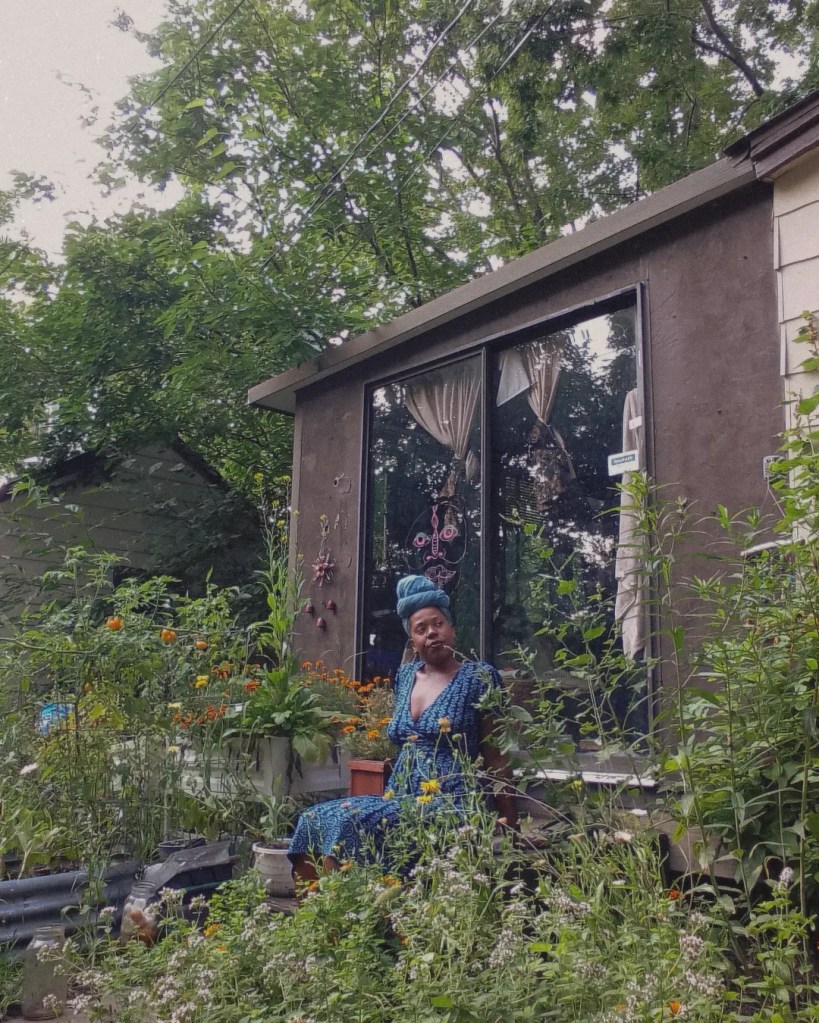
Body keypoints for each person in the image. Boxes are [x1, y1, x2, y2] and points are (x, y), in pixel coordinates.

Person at [288, 574, 517, 882]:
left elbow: (495, 754)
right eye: (421, 629)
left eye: (438, 624)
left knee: (347, 822)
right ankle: (318, 919)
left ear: (452, 630)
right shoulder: (406, 676)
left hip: (452, 803)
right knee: (311, 819)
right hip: (399, 797)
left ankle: (347, 918)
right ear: (413, 641)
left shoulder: (479, 677)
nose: (432, 633)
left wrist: (512, 825)